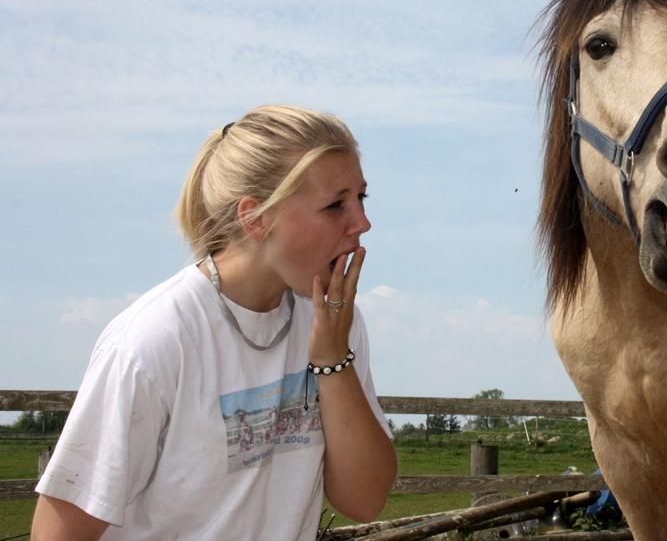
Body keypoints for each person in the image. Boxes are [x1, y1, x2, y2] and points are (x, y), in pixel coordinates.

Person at [31, 105, 397, 540]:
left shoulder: (334, 321)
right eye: (336, 205)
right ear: (256, 219)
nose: (362, 223)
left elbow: (364, 499)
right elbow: (58, 532)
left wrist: (333, 359)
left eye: (361, 197)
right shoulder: (155, 340)